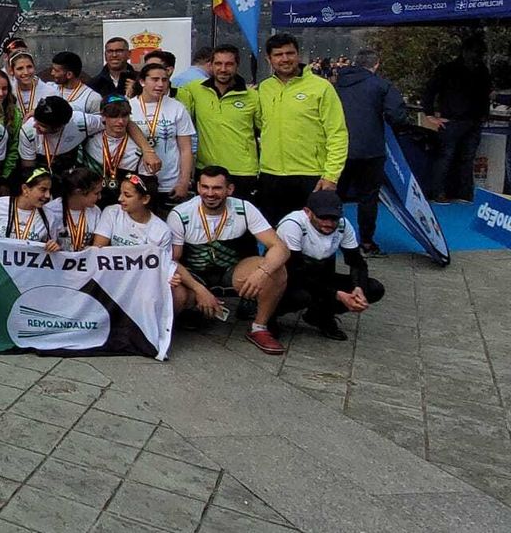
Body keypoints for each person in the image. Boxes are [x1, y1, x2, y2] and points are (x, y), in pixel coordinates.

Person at [167, 167, 289, 354]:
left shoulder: (244, 208)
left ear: (229, 189)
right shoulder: (180, 214)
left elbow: (280, 248)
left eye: (217, 188)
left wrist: (262, 273)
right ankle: (175, 323)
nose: (210, 193)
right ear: (198, 187)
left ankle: (259, 328)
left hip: (232, 272)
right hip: (194, 276)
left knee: (277, 270)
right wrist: (199, 290)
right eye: (205, 187)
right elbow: (172, 261)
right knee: (175, 292)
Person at [256, 33, 349, 224]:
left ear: (298, 55)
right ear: (269, 59)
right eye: (278, 54)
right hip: (271, 177)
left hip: (311, 176)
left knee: (314, 238)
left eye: (290, 53)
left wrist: (331, 176)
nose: (285, 59)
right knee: (277, 239)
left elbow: (337, 134)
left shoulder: (321, 87)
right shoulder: (264, 89)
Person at [275, 190, 384, 340]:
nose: (329, 223)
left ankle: (319, 315)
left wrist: (359, 288)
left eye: (334, 219)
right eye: (322, 217)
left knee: (374, 288)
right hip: (288, 276)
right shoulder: (293, 225)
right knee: (301, 296)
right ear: (307, 212)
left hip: (319, 275)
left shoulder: (343, 226)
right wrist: (336, 294)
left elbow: (357, 263)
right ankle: (269, 316)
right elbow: (295, 273)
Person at [334, 49, 407, 253]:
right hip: (371, 149)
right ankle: (366, 241)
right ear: (376, 64)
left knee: (334, 195)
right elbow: (397, 115)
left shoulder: (335, 84)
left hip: (339, 148)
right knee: (368, 197)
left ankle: (329, 236)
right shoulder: (381, 85)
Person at [177, 44, 260, 202]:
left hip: (242, 172)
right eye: (218, 64)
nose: (223, 69)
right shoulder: (194, 89)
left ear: (237, 65)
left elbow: (264, 130)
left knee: (242, 222)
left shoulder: (252, 96)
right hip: (207, 171)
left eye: (229, 64)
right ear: (210, 65)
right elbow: (166, 96)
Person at [422, 36, 492, 203]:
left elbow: (485, 94)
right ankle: (438, 192)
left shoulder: (482, 70)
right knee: (447, 156)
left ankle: (464, 194)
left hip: (473, 120)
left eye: (480, 54)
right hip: (453, 120)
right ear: (466, 52)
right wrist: (430, 114)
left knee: (466, 159)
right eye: (476, 53)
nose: (477, 57)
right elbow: (429, 91)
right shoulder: (448, 70)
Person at [130, 63, 196, 209]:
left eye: (164, 80)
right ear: (142, 81)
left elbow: (186, 149)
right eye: (155, 79)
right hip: (139, 179)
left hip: (170, 182)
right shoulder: (129, 107)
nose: (160, 84)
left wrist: (184, 182)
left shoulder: (177, 107)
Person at [0, 167, 53, 246]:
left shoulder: (48, 216)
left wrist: (53, 247)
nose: (48, 195)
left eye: (49, 190)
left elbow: (51, 248)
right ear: (25, 189)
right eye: (43, 189)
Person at [44, 167, 103, 252]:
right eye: (96, 193)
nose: (100, 197)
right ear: (78, 192)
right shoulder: (51, 210)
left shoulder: (95, 211)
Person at [8, 51, 59, 121]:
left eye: (29, 67)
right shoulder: (7, 91)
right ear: (11, 71)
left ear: (34, 67)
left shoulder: (50, 92)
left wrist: (39, 112)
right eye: (20, 68)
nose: (26, 72)